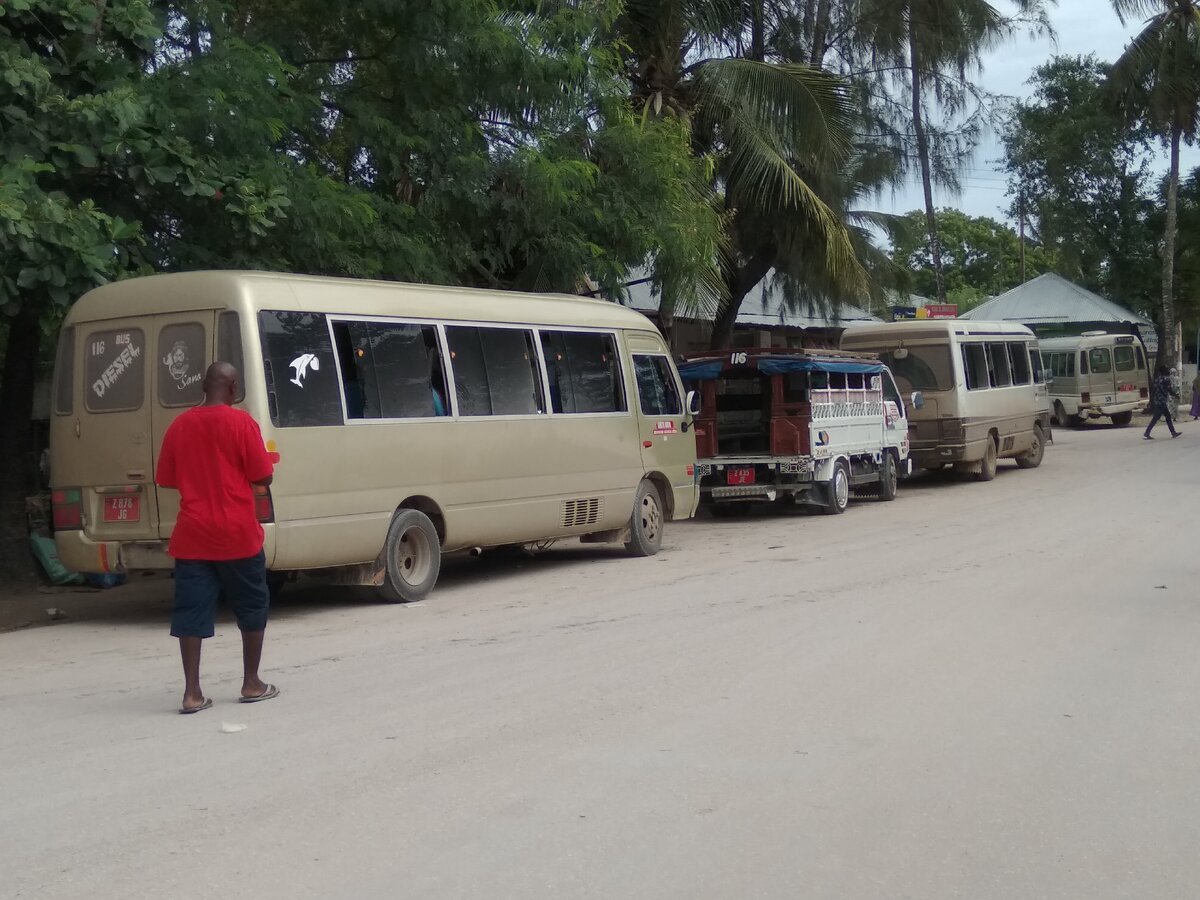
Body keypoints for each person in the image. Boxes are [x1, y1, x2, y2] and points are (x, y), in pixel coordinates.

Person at [156, 361, 279, 713]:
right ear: (233, 386)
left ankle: (192, 693)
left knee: (191, 610)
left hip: (193, 535)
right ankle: (252, 683)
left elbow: (166, 478)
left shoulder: (180, 425)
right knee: (252, 605)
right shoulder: (241, 423)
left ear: (203, 386)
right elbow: (262, 476)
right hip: (237, 534)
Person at [1144, 364, 1181, 440]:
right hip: (1162, 401)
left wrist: (1150, 400)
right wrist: (1176, 395)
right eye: (1167, 369)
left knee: (1167, 417)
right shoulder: (1166, 380)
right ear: (1164, 371)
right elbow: (1170, 391)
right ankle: (1147, 432)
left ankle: (1173, 432)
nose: (1168, 371)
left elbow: (1153, 391)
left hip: (1157, 400)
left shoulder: (1157, 379)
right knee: (1156, 418)